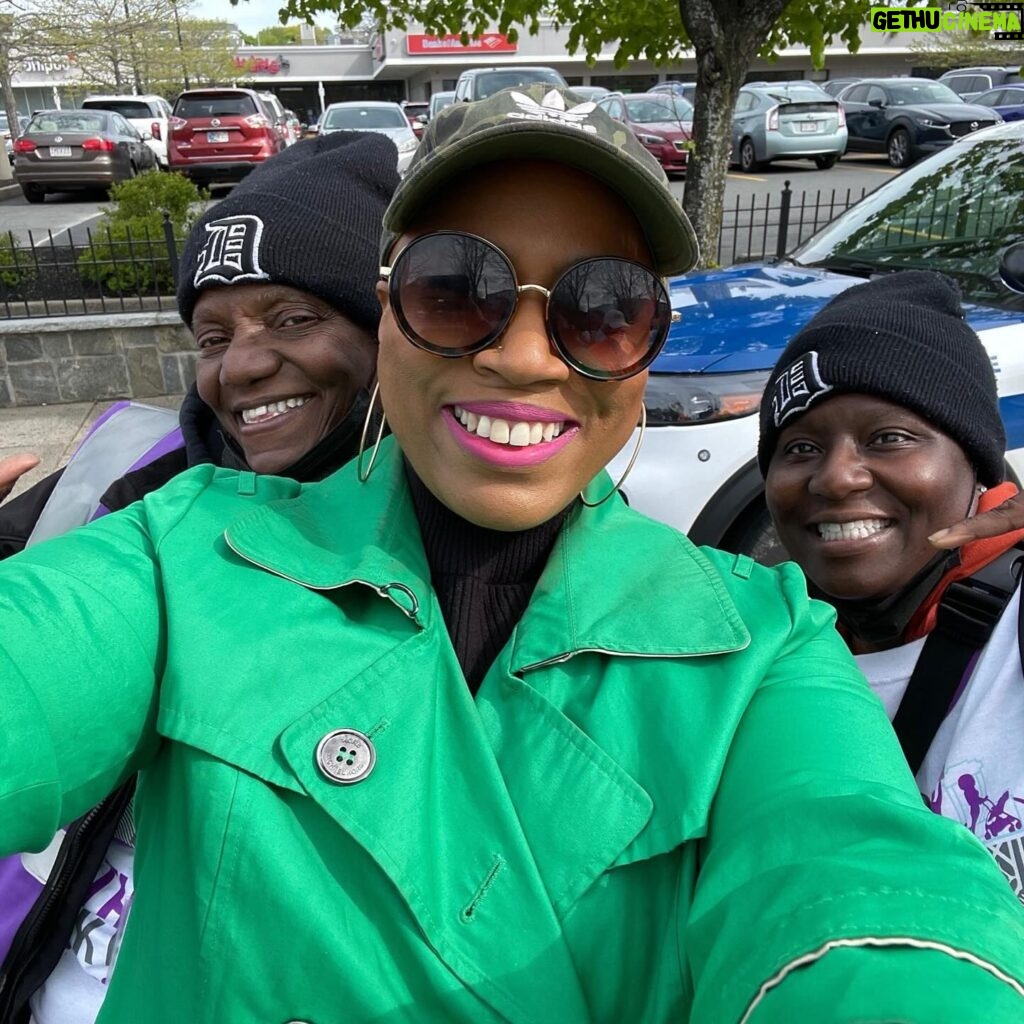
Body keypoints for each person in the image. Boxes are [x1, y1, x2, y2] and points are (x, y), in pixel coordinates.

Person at [1, 86, 1024, 1022]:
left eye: (602, 306)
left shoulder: (760, 642)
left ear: (646, 351)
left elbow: (860, 889)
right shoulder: (184, 552)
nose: (525, 355)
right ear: (387, 307)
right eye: (457, 287)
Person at [0, 129, 399, 1024]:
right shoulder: (135, 476)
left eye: (294, 319)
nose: (243, 365)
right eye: (213, 334)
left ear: (390, 332)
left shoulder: (453, 547)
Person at [760, 270, 1024, 900]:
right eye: (798, 448)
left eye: (890, 439)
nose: (837, 478)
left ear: (975, 465)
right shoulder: (761, 649)